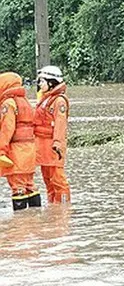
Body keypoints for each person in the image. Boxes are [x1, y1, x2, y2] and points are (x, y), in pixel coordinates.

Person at [0, 73, 41, 210]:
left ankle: (20, 225)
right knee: (29, 184)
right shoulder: (25, 102)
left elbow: (7, 129)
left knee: (17, 187)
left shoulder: (8, 103)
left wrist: (1, 151)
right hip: (29, 150)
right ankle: (36, 218)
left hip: (16, 151)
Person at [34, 66, 71, 204]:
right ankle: (53, 207)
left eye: (42, 81)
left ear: (51, 82)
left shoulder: (59, 101)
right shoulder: (45, 99)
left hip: (53, 145)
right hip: (42, 145)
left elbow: (60, 125)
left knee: (58, 179)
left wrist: (57, 144)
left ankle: (63, 208)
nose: (40, 84)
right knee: (48, 179)